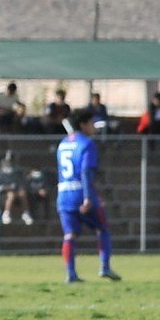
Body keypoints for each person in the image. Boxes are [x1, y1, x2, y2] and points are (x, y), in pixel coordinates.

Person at [55, 107, 119, 282]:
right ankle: (104, 267)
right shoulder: (87, 144)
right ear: (83, 124)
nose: (94, 127)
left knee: (69, 235)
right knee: (102, 228)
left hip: (63, 194)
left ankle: (71, 274)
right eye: (91, 123)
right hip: (80, 194)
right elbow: (85, 172)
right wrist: (88, 197)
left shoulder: (63, 143)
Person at [0, 150, 32, 226]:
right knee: (11, 194)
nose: (8, 165)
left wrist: (17, 187)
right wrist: (5, 187)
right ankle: (6, 214)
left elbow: (20, 184)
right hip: (2, 195)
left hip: (16, 194)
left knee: (22, 193)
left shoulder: (16, 173)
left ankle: (26, 213)